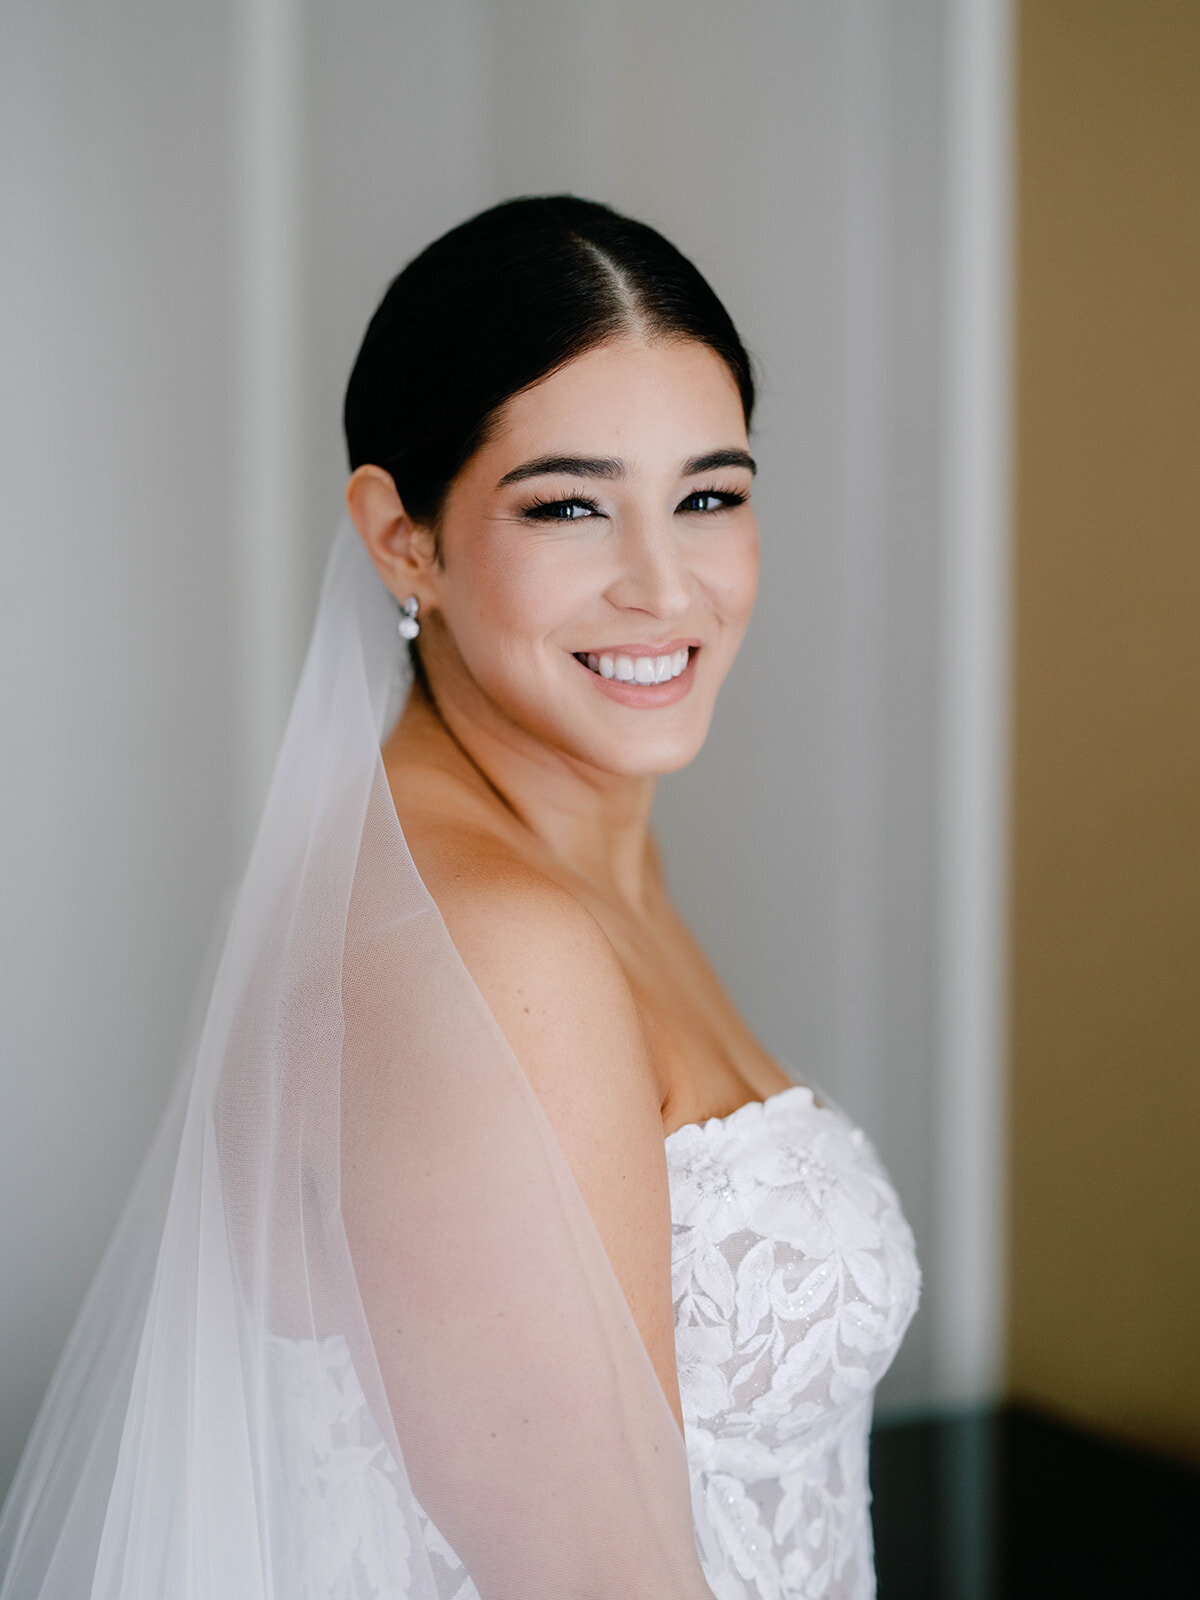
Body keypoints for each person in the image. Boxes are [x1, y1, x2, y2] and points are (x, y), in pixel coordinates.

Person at [0, 196, 920, 1600]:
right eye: (568, 506)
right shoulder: (491, 947)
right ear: (402, 537)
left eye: (709, 495)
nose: (664, 584)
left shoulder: (579, 857)